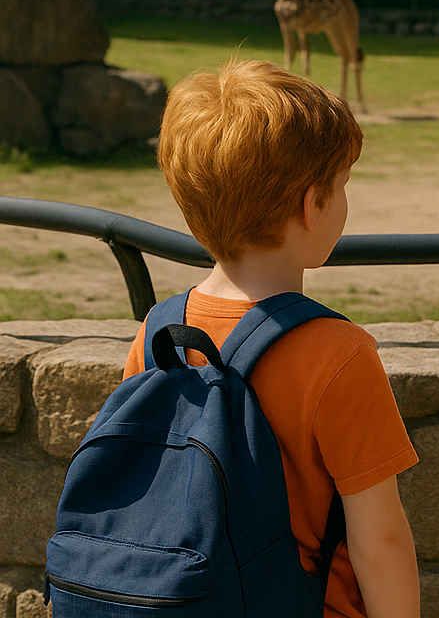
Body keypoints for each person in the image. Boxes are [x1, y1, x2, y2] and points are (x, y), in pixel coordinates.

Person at [121, 59, 421, 618]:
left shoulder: (158, 332)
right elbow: (378, 540)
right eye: (342, 184)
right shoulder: (339, 354)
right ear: (314, 204)